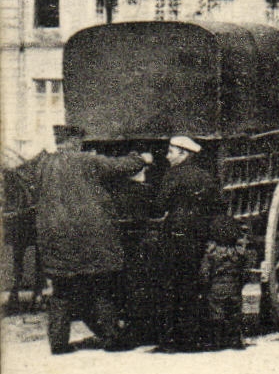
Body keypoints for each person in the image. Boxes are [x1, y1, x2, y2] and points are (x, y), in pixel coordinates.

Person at [24, 125, 151, 353]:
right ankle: (112, 338)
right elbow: (121, 166)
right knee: (101, 286)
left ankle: (59, 344)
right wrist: (140, 157)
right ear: (74, 141)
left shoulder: (42, 164)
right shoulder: (86, 161)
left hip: (54, 239)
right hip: (90, 238)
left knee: (61, 291)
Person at [151, 135, 226, 351]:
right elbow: (218, 203)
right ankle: (191, 338)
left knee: (169, 286)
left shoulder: (173, 175)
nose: (167, 156)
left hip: (175, 235)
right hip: (198, 234)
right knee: (191, 285)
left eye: (171, 152)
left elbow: (160, 204)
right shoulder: (205, 176)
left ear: (184, 154)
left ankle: (169, 340)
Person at [197, 213, 248, 350]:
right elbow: (244, 271)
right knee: (235, 315)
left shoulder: (212, 253)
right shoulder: (239, 253)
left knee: (216, 315)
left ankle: (217, 342)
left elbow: (204, 273)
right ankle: (236, 341)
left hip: (216, 289)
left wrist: (205, 286)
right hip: (234, 288)